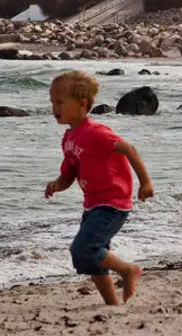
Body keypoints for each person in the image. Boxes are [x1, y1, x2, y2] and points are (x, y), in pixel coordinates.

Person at [45, 71, 154, 305]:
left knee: (83, 248)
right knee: (93, 258)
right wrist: (56, 185)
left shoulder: (97, 133)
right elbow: (69, 174)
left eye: (60, 102)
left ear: (82, 104)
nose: (54, 107)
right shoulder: (69, 138)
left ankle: (128, 270)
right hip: (93, 204)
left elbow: (129, 149)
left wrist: (145, 182)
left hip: (113, 203)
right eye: (52, 102)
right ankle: (112, 304)